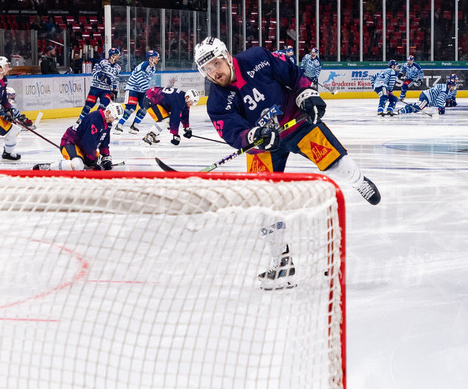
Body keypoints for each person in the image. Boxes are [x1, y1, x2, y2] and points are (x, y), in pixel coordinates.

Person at [195, 35, 380, 289]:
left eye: (216, 63)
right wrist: (252, 136)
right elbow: (230, 130)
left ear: (226, 56)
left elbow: (293, 74)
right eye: (207, 68)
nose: (213, 72)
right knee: (263, 203)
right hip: (264, 146)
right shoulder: (217, 100)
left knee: (338, 166)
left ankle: (359, 181)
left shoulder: (256, 58)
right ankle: (283, 264)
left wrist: (307, 96)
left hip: (297, 123)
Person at [33, 102, 121, 171]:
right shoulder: (94, 120)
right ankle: (49, 167)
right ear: (108, 112)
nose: (114, 120)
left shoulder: (107, 123)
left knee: (89, 164)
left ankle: (82, 160)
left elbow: (104, 143)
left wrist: (106, 157)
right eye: (115, 118)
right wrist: (93, 160)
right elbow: (88, 143)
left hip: (83, 146)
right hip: (70, 142)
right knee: (78, 165)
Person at [114, 49, 159, 135]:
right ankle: (119, 125)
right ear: (150, 58)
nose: (157, 59)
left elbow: (146, 80)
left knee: (144, 108)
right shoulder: (143, 66)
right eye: (156, 58)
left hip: (142, 91)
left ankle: (134, 125)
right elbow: (140, 80)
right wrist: (149, 91)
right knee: (130, 108)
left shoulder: (153, 68)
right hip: (132, 89)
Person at [78, 47, 121, 121]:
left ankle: (94, 120)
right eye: (117, 55)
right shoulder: (102, 62)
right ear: (113, 56)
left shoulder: (118, 67)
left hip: (107, 90)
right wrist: (104, 78)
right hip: (95, 87)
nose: (118, 57)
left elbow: (115, 79)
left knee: (103, 107)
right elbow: (95, 72)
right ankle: (80, 120)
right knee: (88, 105)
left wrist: (114, 90)